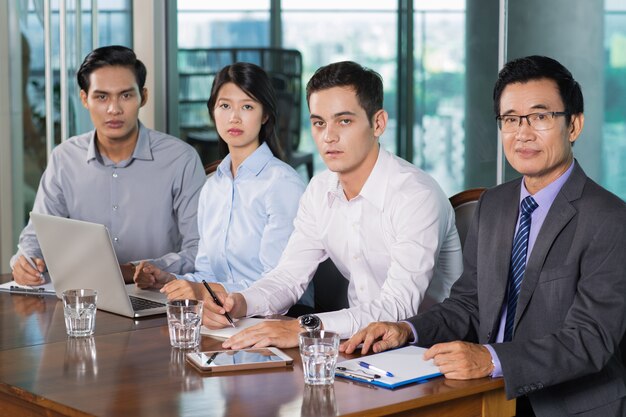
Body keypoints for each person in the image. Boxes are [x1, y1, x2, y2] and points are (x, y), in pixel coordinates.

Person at [342, 55, 626, 417]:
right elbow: (468, 305)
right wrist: (405, 330)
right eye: (510, 120)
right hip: (484, 396)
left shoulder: (609, 218)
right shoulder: (494, 204)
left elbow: (590, 340)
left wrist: (490, 358)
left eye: (540, 117)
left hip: (567, 405)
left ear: (573, 125)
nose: (523, 133)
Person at [203, 61, 463, 349]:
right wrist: (240, 302)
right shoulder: (320, 190)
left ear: (378, 123)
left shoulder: (415, 195)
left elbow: (398, 306)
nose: (328, 136)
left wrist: (306, 327)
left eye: (344, 121)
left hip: (429, 350)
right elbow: (289, 275)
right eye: (319, 123)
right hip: (355, 346)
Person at [10, 45, 206, 286]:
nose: (114, 109)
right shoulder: (64, 158)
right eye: (101, 97)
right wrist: (26, 260)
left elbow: (200, 248)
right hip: (81, 296)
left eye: (125, 95)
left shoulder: (180, 159)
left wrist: (143, 269)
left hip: (157, 296)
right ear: (84, 99)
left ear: (142, 97)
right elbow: (36, 236)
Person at [134, 62, 308, 306]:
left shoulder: (282, 184)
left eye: (247, 106)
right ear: (213, 112)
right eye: (225, 106)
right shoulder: (213, 187)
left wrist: (202, 291)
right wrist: (168, 279)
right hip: (218, 316)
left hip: (270, 319)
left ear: (265, 115)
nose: (234, 117)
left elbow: (277, 286)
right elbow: (208, 275)